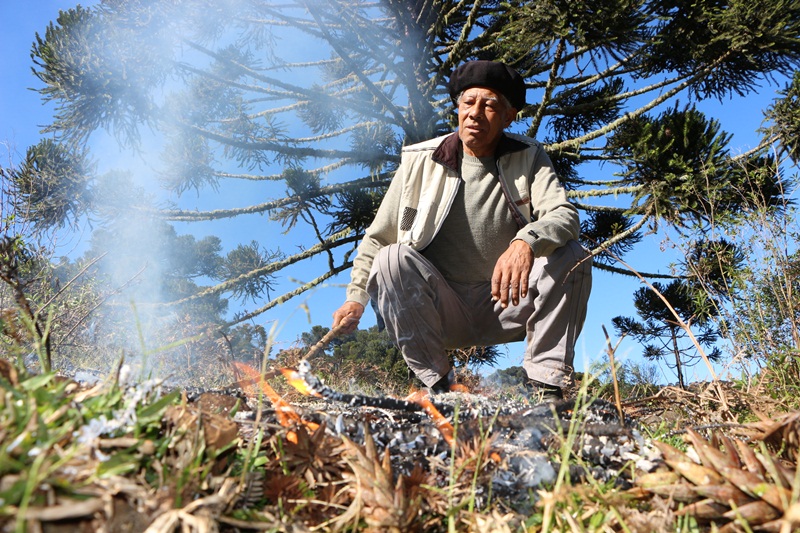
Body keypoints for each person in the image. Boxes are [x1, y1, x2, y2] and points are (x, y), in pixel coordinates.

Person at [332, 60, 592, 399]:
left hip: (507, 301)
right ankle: (439, 386)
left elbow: (563, 214)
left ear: (509, 116)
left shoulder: (529, 156)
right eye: (468, 102)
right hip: (440, 308)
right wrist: (356, 299)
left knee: (572, 255)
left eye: (490, 105)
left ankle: (547, 387)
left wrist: (525, 241)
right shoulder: (419, 161)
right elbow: (379, 237)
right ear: (458, 107)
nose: (475, 113)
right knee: (391, 258)